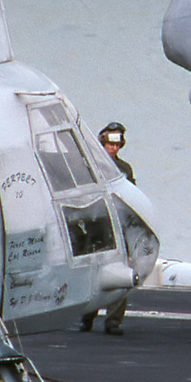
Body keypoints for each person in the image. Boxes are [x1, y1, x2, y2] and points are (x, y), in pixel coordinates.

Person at [80, 121, 136, 335]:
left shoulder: (124, 169)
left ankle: (113, 321)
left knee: (120, 275)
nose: (113, 148)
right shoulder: (89, 166)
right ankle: (87, 316)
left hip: (118, 227)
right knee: (94, 275)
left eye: (117, 145)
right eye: (110, 144)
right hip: (96, 227)